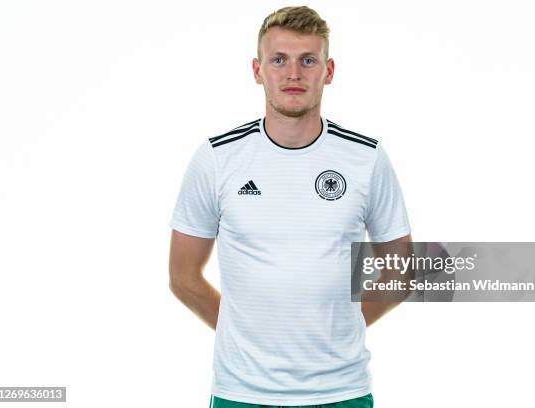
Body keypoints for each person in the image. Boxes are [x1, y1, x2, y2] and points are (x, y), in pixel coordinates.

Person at [169, 6, 412, 408]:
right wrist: (245, 337)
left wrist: (339, 331)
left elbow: (400, 273)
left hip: (342, 392)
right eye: (278, 59)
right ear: (257, 70)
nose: (293, 74)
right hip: (242, 393)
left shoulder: (365, 158)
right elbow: (182, 276)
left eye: (308, 60)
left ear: (328, 71)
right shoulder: (217, 158)